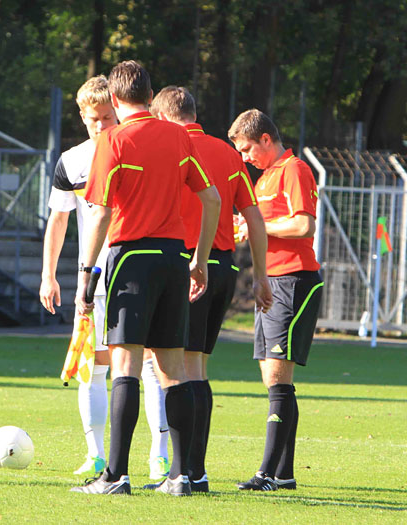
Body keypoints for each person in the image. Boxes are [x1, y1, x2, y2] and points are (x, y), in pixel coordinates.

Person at [71, 60, 221, 496]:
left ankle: (115, 476)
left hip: (131, 259)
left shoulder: (113, 140)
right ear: (150, 96)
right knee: (173, 370)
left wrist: (86, 272)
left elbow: (100, 213)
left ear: (115, 100)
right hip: (174, 258)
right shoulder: (178, 136)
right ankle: (181, 476)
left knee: (125, 367)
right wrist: (200, 260)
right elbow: (211, 199)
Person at [40, 75, 171, 479]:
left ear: (118, 110)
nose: (100, 125)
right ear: (82, 116)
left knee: (149, 363)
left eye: (107, 117)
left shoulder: (135, 148)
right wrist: (48, 274)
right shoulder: (71, 161)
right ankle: (95, 454)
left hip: (135, 268)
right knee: (95, 364)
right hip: (95, 276)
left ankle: (159, 455)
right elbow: (58, 220)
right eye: (92, 118)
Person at [148, 86, 272, 493]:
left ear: (162, 116)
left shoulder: (170, 147)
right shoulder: (228, 154)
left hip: (189, 266)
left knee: (178, 370)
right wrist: (260, 276)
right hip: (225, 268)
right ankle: (196, 473)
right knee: (199, 368)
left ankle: (180, 474)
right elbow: (254, 219)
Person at [229, 109, 324, 492]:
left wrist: (258, 226)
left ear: (266, 139)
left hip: (294, 280)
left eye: (247, 149)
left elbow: (304, 224)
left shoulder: (294, 170)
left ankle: (266, 473)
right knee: (274, 379)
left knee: (278, 378)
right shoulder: (265, 177)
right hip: (272, 283)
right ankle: (284, 474)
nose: (244, 157)